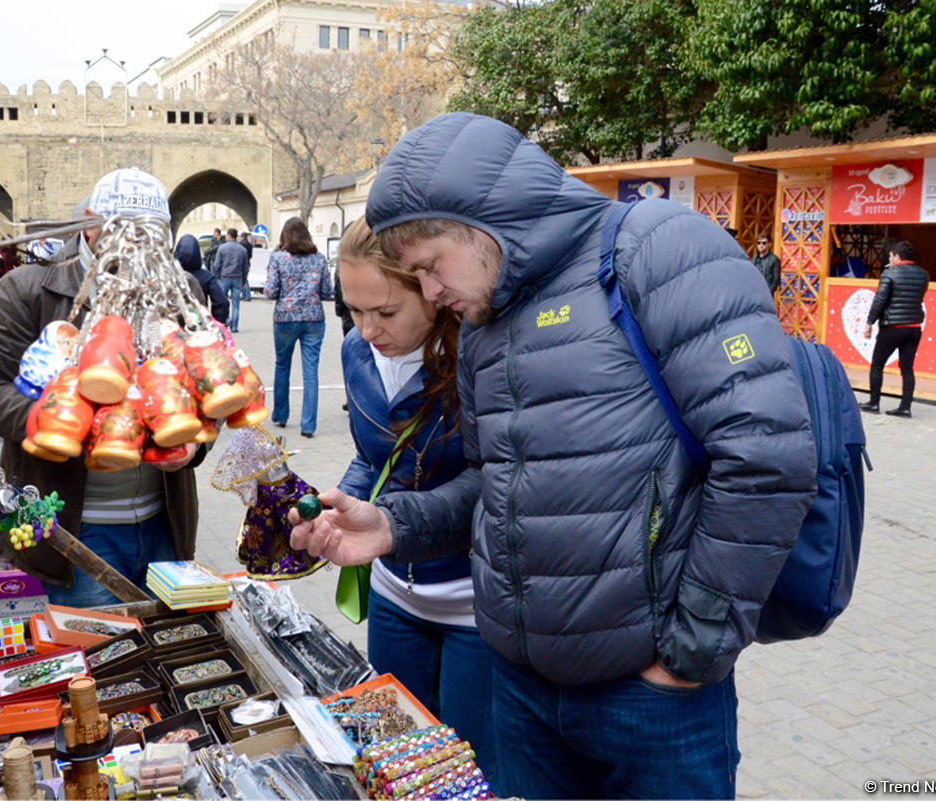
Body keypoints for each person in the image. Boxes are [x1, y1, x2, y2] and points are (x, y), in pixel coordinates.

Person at [290, 113, 817, 800]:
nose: (428, 294)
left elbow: (766, 455)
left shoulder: (658, 249)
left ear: (477, 224)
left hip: (652, 697)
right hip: (524, 690)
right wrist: (393, 525)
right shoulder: (483, 323)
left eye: (427, 267)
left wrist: (693, 651)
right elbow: (490, 483)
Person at [0, 167, 207, 608]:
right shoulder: (29, 290)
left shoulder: (179, 290)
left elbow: (204, 389)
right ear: (91, 226)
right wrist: (55, 421)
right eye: (125, 235)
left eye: (151, 237)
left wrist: (194, 443)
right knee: (95, 664)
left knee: (159, 656)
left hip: (163, 525)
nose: (139, 249)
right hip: (67, 531)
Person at [336, 217, 497, 785]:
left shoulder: (477, 355)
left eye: (384, 312)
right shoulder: (355, 352)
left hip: (472, 607)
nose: (367, 329)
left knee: (465, 776)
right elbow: (373, 458)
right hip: (392, 598)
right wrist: (336, 508)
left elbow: (493, 479)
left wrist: (386, 521)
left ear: (431, 291)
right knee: (392, 768)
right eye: (353, 310)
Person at [264, 216, 332, 438]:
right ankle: (308, 425)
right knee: (311, 370)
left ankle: (281, 415)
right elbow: (326, 291)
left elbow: (270, 291)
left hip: (285, 318)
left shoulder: (278, 258)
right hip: (314, 319)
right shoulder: (320, 259)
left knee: (282, 365)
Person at [860, 240, 928, 418]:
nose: (888, 258)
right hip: (914, 327)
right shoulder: (923, 274)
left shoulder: (889, 273)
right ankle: (905, 407)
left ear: (896, 256)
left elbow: (880, 300)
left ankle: (874, 403)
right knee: (907, 367)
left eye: (890, 255)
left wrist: (869, 323)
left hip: (892, 327)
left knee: (877, 364)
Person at [175, 233, 230, 325]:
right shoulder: (207, 277)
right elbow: (221, 302)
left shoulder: (169, 276)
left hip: (174, 327)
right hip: (200, 324)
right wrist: (216, 322)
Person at [211, 228, 249, 332]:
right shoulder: (242, 249)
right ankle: (234, 327)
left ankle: (225, 321)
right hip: (237, 278)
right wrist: (244, 281)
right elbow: (246, 267)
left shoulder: (222, 248)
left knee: (222, 301)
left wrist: (217, 276)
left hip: (225, 278)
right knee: (236, 304)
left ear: (228, 236)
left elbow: (216, 265)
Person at [752, 231, 781, 296]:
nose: (761, 245)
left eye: (764, 243)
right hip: (754, 293)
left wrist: (768, 292)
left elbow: (776, 280)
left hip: (767, 295)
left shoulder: (774, 260)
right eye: (758, 243)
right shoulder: (754, 259)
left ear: (770, 244)